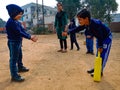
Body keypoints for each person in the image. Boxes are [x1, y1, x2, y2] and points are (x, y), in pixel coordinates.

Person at [68, 9, 112, 77]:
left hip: (106, 38)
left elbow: (100, 35)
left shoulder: (95, 24)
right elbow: (78, 28)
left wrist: (100, 46)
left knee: (103, 55)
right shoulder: (86, 23)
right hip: (99, 38)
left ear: (86, 18)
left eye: (80, 19)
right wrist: (69, 31)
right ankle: (96, 68)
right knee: (98, 55)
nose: (79, 21)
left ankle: (100, 71)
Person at [6, 4, 37, 82]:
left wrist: (30, 35)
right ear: (13, 13)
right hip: (13, 43)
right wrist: (30, 37)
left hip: (18, 42)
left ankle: (20, 67)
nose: (20, 16)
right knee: (13, 59)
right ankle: (14, 75)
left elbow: (22, 30)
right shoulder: (11, 22)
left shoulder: (16, 22)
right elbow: (19, 32)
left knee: (19, 56)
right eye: (19, 14)